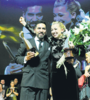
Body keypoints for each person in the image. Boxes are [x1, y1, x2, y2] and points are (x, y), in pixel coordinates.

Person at [20, 18, 79, 100]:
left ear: (62, 29)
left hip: (68, 72)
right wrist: (25, 24)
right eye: (51, 30)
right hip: (55, 74)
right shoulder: (50, 40)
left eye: (55, 29)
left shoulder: (69, 40)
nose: (53, 31)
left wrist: (73, 48)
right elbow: (37, 32)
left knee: (71, 96)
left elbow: (80, 51)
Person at [15, 20, 51, 100]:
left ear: (46, 31)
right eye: (39, 28)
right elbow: (17, 58)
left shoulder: (49, 44)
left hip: (43, 83)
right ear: (34, 30)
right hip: (28, 81)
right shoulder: (26, 42)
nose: (41, 30)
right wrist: (25, 58)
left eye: (43, 28)